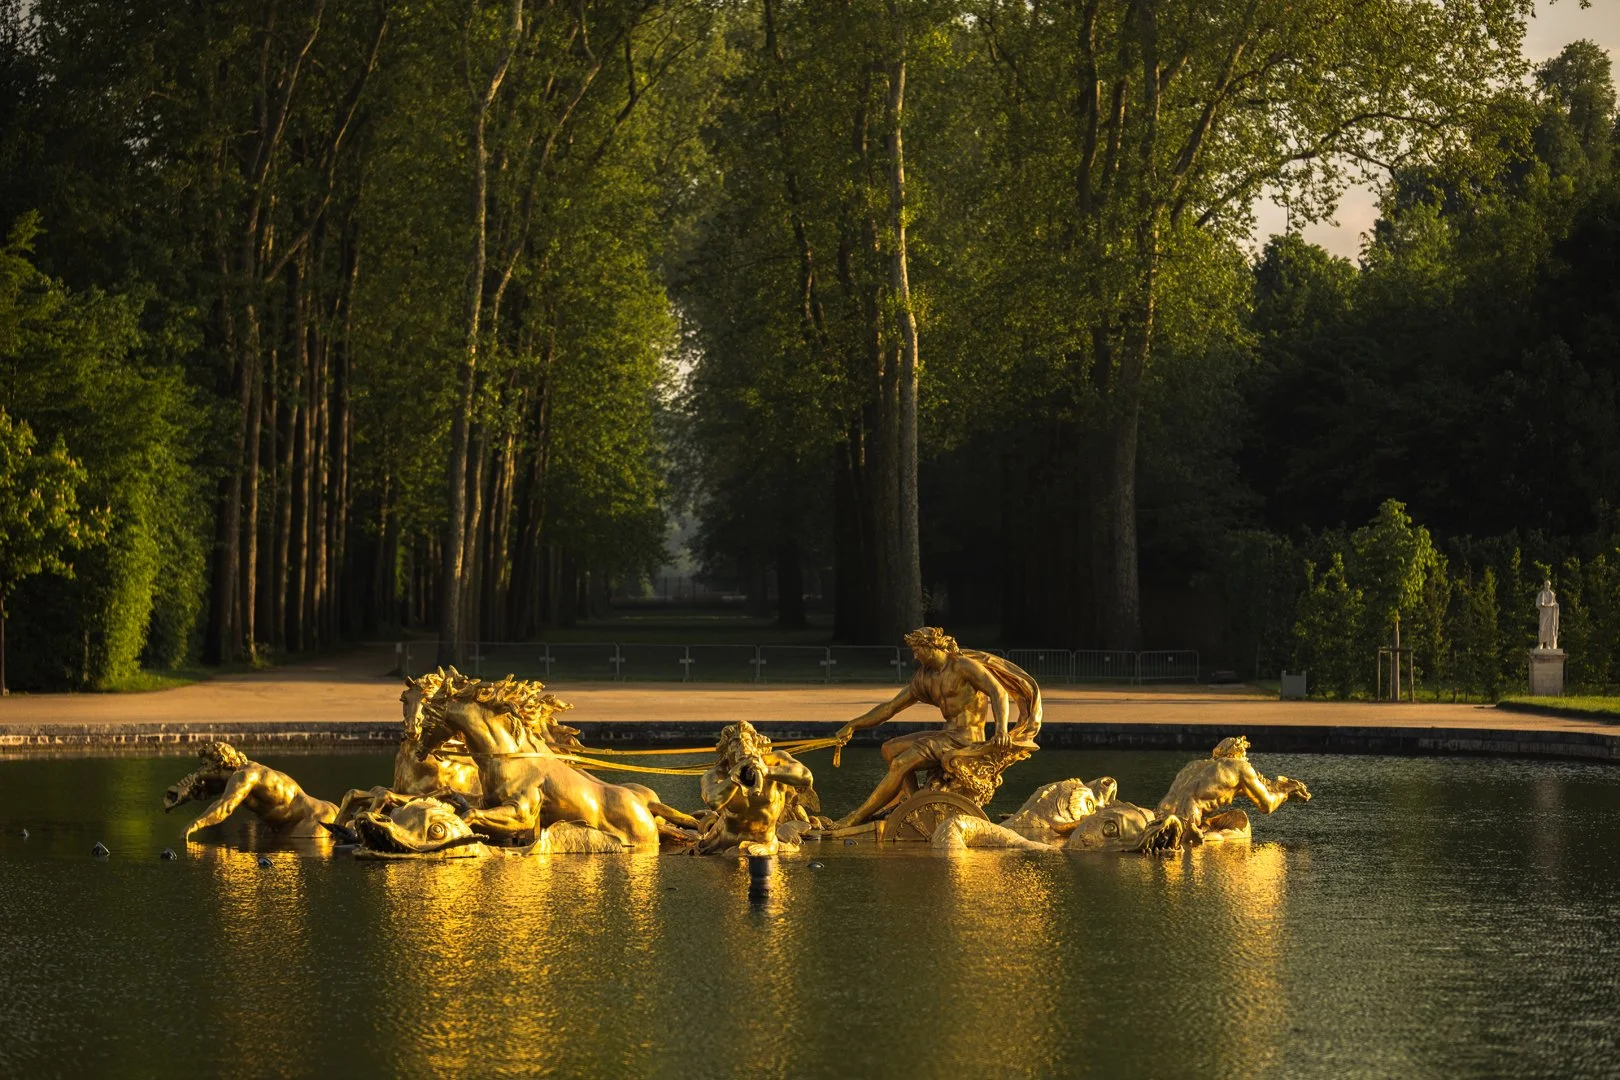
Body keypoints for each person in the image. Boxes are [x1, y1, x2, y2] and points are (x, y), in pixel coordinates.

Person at [830, 626, 1040, 829]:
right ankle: (914, 804)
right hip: (948, 735)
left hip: (967, 737)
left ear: (931, 646)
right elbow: (890, 708)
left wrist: (1001, 730)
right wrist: (853, 725)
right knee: (889, 749)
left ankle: (856, 817)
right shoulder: (925, 677)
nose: (915, 656)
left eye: (917, 650)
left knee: (900, 763)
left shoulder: (963, 666)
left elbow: (998, 692)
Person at [164, 741, 339, 839]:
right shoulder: (237, 780)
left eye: (204, 766)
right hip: (290, 826)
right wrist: (184, 795)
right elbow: (208, 792)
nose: (201, 771)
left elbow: (225, 807)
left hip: (314, 820)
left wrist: (195, 824)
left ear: (218, 764)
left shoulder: (245, 775)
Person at [695, 720, 821, 855]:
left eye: (748, 742)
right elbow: (713, 801)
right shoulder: (717, 774)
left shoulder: (775, 760)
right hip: (725, 842)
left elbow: (806, 776)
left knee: (746, 858)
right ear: (726, 752)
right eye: (736, 743)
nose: (743, 747)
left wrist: (768, 771)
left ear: (755, 746)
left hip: (765, 843)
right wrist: (734, 779)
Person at [1153, 735, 1310, 844]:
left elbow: (1217, 791)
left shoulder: (1196, 765)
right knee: (1237, 831)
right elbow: (1266, 805)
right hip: (1187, 820)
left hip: (1159, 813)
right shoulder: (1241, 768)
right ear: (1240, 754)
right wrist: (1286, 792)